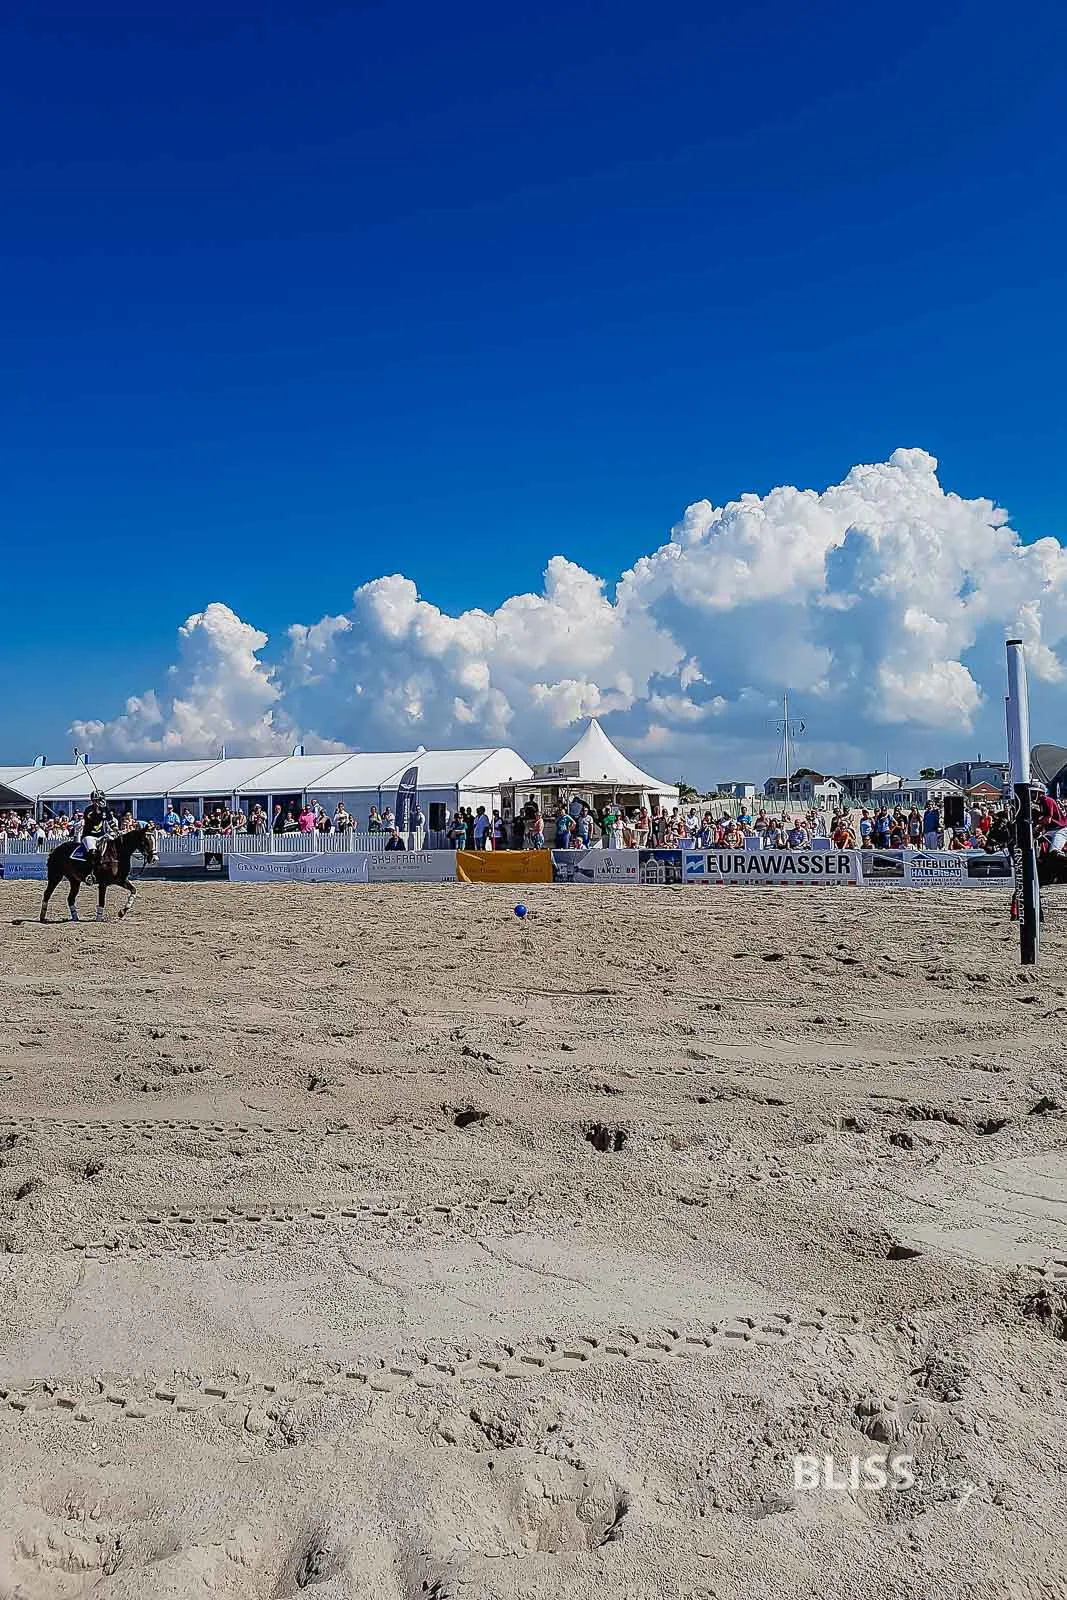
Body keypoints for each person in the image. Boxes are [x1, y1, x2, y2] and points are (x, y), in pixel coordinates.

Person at [77, 791, 118, 880]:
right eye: (95, 800)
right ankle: (90, 873)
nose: (97, 802)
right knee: (93, 852)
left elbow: (111, 821)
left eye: (98, 800)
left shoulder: (106, 810)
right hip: (89, 836)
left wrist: (115, 829)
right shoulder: (89, 810)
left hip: (102, 835)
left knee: (114, 846)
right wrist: (97, 809)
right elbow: (94, 819)